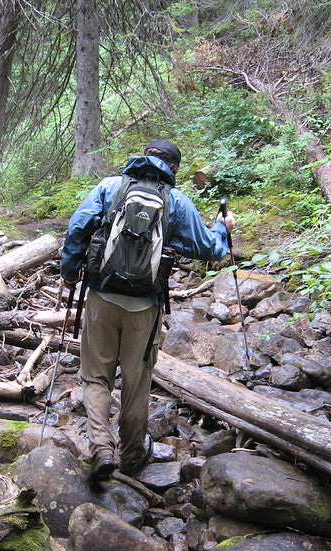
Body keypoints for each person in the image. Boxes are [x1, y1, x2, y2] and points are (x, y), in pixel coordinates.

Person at [60, 140, 235, 481]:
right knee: (136, 382)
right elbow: (209, 248)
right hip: (145, 306)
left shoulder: (110, 187)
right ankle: (132, 454)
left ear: (142, 156)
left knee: (96, 377)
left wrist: (69, 274)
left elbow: (77, 228)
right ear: (175, 169)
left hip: (101, 298)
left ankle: (101, 449)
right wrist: (223, 229)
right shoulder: (177, 202)